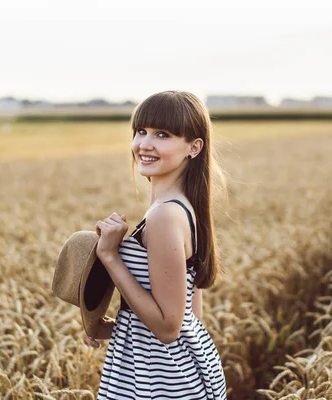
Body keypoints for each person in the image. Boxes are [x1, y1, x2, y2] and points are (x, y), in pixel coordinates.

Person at [89, 91, 227, 399]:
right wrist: (116, 329)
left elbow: (168, 328)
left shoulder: (165, 216)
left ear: (194, 148)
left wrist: (111, 256)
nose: (144, 144)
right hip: (174, 374)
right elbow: (190, 318)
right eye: (141, 131)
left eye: (162, 134)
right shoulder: (184, 207)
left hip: (160, 384)